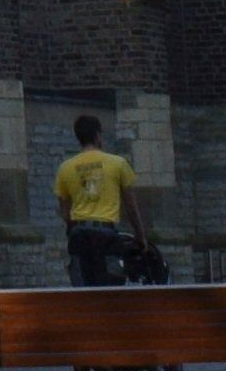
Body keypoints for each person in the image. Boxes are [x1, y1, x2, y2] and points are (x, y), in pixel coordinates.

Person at [55, 113, 153, 286]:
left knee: (83, 291)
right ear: (98, 135)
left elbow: (65, 214)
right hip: (106, 238)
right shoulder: (118, 163)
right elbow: (131, 207)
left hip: (79, 237)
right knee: (110, 291)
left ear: (79, 137)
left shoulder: (65, 168)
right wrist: (140, 236)